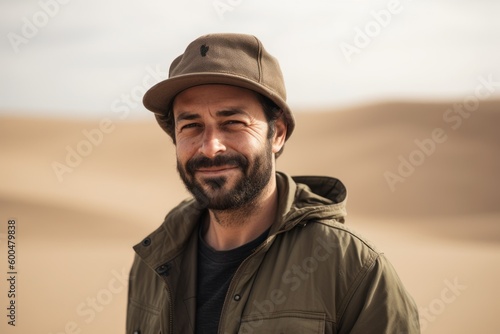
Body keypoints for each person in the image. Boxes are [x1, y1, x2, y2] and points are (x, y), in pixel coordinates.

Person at [127, 33, 420, 334]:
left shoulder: (353, 269)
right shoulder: (154, 263)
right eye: (191, 126)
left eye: (233, 123)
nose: (210, 147)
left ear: (277, 133)